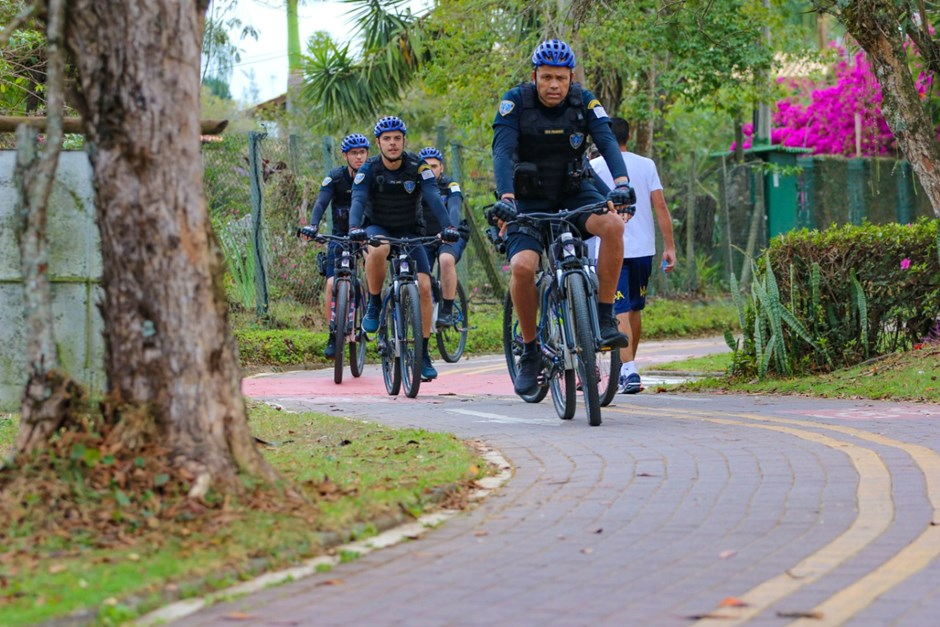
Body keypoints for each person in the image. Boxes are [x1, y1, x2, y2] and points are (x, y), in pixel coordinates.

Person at [490, 38, 637, 397]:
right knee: (524, 267)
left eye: (561, 77)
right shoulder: (515, 103)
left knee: (614, 225)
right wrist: (506, 197)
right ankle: (529, 352)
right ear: (534, 76)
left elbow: (604, 141)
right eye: (546, 77)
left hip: (575, 189)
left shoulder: (584, 101)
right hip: (526, 198)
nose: (554, 85)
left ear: (571, 77)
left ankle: (603, 315)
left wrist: (621, 184)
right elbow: (503, 151)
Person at [348, 116, 461, 381]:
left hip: (412, 231)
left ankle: (422, 353)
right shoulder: (369, 169)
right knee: (377, 249)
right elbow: (358, 199)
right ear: (378, 143)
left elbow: (433, 197)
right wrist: (355, 227)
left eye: (397, 138)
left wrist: (448, 227)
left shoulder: (418, 167)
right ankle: (374, 304)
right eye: (386, 139)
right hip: (378, 227)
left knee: (423, 286)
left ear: (403, 140)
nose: (392, 143)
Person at [588, 117, 676, 394]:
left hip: (607, 247)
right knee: (633, 308)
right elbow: (660, 206)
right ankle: (629, 367)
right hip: (643, 248)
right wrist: (670, 246)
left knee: (622, 308)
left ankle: (628, 369)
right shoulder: (646, 164)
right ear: (630, 135)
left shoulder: (593, 166)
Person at [299, 133, 370, 359]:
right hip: (339, 237)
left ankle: (368, 312)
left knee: (372, 267)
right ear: (345, 156)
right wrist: (312, 225)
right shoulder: (335, 178)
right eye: (353, 153)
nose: (358, 158)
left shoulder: (373, 176)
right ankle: (333, 332)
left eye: (362, 153)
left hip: (366, 236)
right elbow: (321, 202)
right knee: (331, 283)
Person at [417, 146, 465, 327]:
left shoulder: (451, 186)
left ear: (442, 168)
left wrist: (450, 228)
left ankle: (447, 310)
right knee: (421, 276)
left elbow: (454, 208)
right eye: (426, 167)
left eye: (435, 166)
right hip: (424, 237)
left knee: (445, 260)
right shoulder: (414, 187)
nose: (431, 170)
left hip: (450, 235)